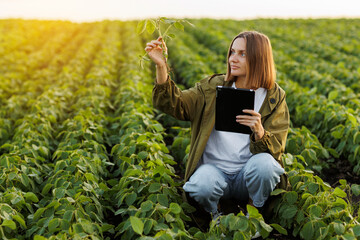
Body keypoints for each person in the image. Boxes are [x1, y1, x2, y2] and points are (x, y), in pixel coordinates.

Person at [145, 31, 289, 229]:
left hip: (247, 177)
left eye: (242, 54)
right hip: (215, 172)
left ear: (259, 58)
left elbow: (277, 148)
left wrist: (260, 132)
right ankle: (216, 213)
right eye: (232, 52)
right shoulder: (214, 86)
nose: (232, 59)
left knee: (266, 166)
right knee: (200, 185)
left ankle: (253, 212)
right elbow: (176, 104)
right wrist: (161, 66)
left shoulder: (274, 96)